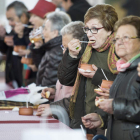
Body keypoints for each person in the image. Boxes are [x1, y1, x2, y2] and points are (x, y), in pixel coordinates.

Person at [42, 4, 118, 135]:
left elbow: (121, 87)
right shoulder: (85, 47)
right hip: (82, 119)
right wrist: (71, 55)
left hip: (107, 122)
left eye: (94, 29)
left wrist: (97, 75)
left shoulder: (118, 51)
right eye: (87, 29)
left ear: (109, 29)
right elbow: (65, 79)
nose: (89, 34)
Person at [82, 15, 140, 140]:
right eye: (117, 38)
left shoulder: (138, 69)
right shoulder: (124, 68)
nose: (119, 42)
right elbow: (125, 102)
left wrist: (114, 106)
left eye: (126, 37)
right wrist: (101, 118)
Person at [36, 21, 85, 115]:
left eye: (68, 48)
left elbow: (80, 99)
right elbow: (65, 86)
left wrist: (53, 107)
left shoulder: (85, 66)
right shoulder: (68, 60)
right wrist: (54, 90)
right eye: (63, 47)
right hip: (61, 116)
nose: (64, 52)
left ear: (80, 44)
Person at [31, 11, 71, 87]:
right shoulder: (54, 47)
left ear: (55, 33)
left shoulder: (57, 51)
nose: (43, 32)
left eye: (45, 29)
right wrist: (38, 48)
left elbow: (49, 84)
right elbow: (43, 70)